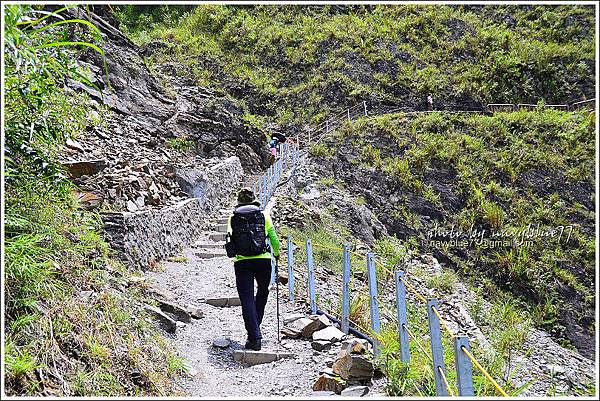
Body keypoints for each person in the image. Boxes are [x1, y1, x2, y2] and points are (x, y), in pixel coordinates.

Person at [226, 187, 280, 351]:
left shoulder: (233, 217)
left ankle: (254, 337)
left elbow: (229, 239)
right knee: (263, 292)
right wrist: (276, 255)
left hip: (242, 262)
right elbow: (274, 239)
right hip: (263, 260)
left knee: (247, 299)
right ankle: (255, 329)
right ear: (254, 200)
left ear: (239, 202)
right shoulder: (263, 215)